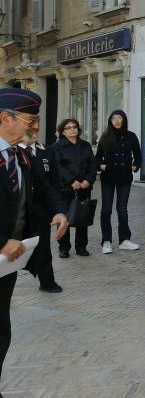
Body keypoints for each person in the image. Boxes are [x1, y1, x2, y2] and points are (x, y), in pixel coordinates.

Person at [0, 88, 69, 398]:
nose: (33, 127)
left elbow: (44, 189)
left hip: (6, 263)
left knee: (1, 331)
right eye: (29, 120)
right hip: (3, 250)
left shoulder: (21, 155)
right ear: (4, 118)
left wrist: (60, 212)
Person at [17, 117, 63, 292]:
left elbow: (52, 181)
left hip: (41, 208)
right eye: (31, 131)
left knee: (43, 246)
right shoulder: (14, 153)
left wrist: (57, 209)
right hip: (19, 209)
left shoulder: (47, 151)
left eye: (37, 130)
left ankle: (47, 281)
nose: (35, 133)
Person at [94, 110, 142, 254]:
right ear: (110, 121)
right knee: (106, 209)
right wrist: (101, 165)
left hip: (124, 176)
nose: (116, 121)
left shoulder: (131, 136)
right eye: (113, 118)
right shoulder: (105, 136)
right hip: (108, 176)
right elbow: (97, 157)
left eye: (119, 118)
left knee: (122, 209)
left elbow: (138, 155)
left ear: (124, 120)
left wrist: (135, 166)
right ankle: (106, 241)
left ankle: (124, 240)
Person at [51, 118, 97, 258]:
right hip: (64, 188)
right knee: (64, 217)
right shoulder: (57, 147)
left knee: (82, 216)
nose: (72, 129)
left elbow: (92, 165)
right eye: (68, 127)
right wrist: (71, 181)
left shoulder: (85, 145)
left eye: (75, 127)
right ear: (62, 132)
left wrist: (88, 180)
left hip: (84, 187)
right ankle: (63, 248)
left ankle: (81, 247)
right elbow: (58, 167)